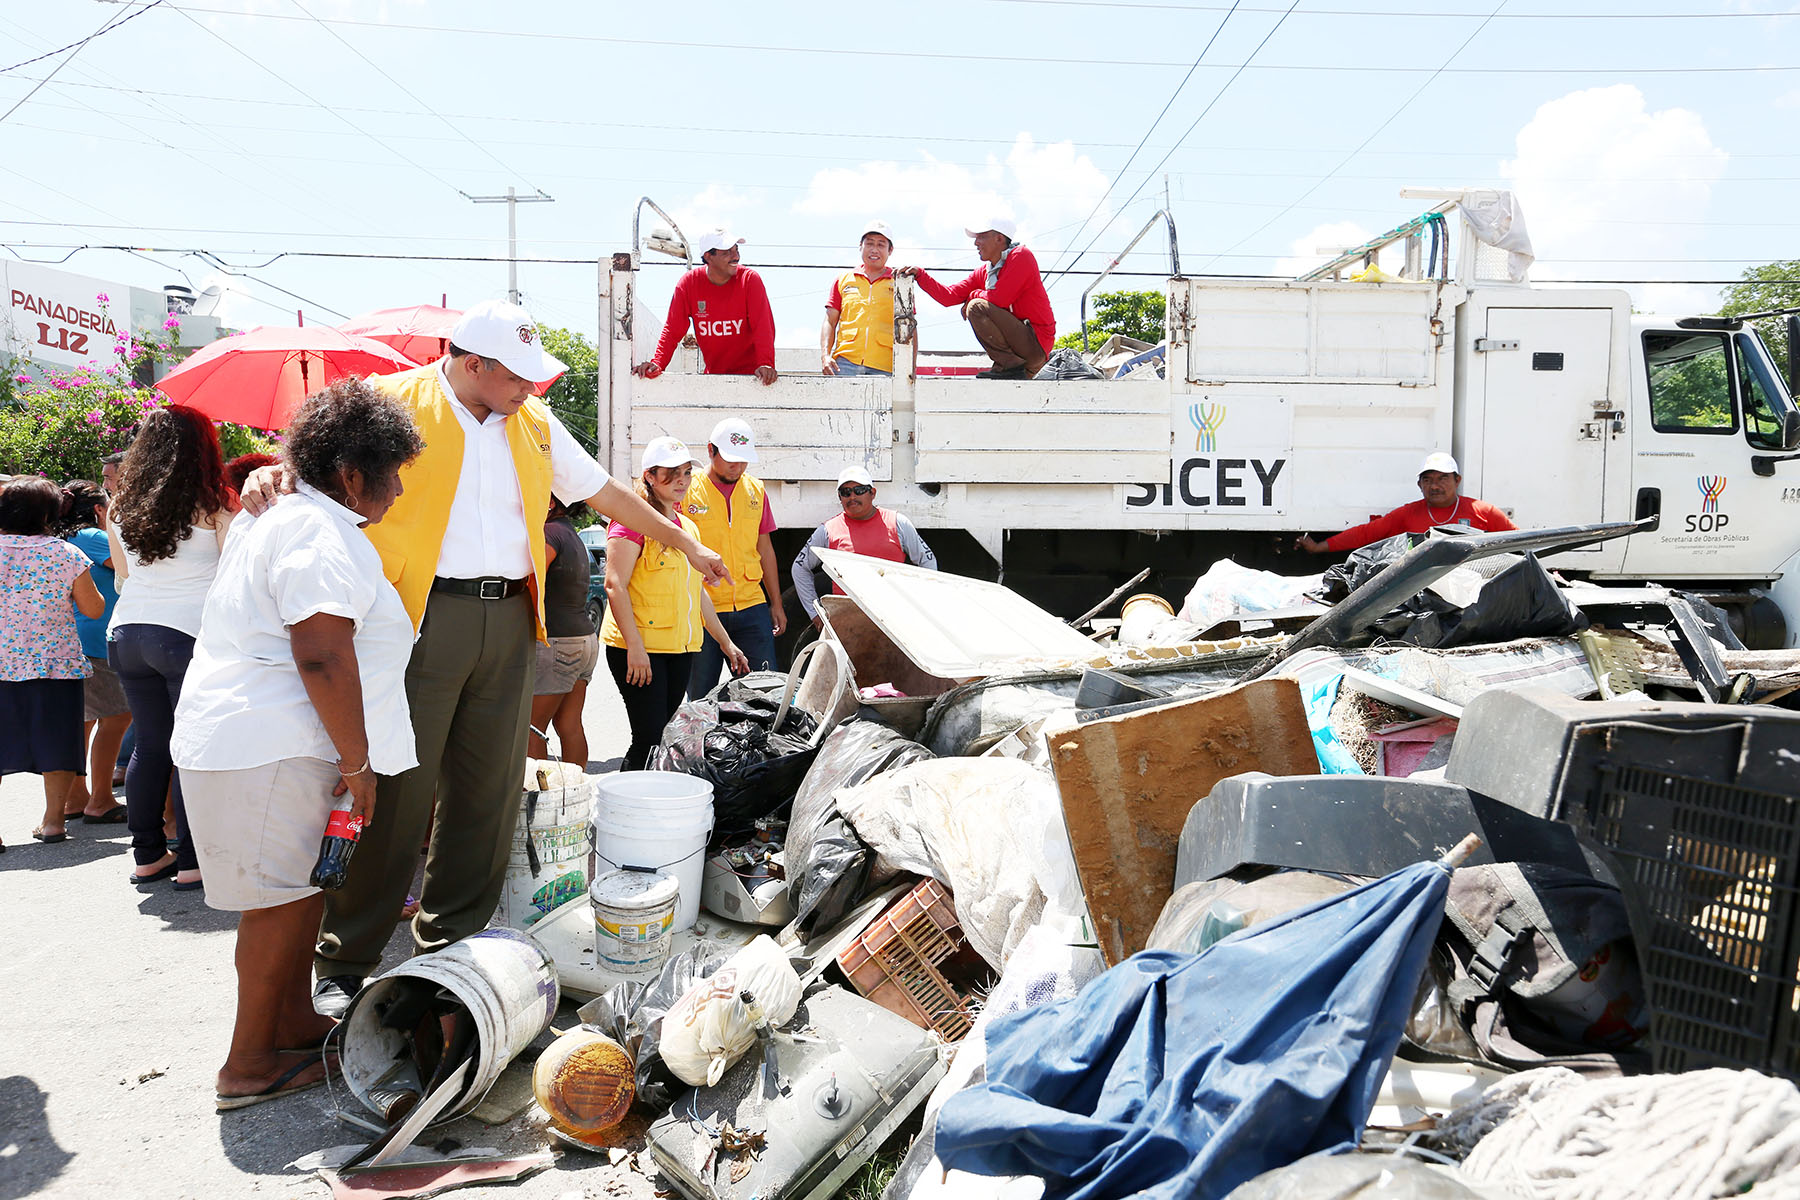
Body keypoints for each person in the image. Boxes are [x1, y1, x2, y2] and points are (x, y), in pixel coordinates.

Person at [238, 298, 728, 1019]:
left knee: (488, 791)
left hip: (508, 617)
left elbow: (603, 490)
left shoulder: (531, 422)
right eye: (518, 376)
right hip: (414, 616)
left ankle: (452, 944)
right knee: (400, 787)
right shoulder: (393, 402)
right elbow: (310, 467)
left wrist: (684, 541)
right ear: (474, 365)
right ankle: (346, 956)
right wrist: (267, 476)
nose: (532, 389)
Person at [171, 378, 424, 1110]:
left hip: (272, 743)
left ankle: (287, 1025)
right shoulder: (314, 530)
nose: (400, 491)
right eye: (396, 472)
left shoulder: (295, 517)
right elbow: (321, 652)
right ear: (352, 474)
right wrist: (358, 764)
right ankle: (247, 1063)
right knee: (280, 904)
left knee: (300, 891)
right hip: (270, 745)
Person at [109, 405, 234, 892]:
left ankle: (146, 855)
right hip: (187, 635)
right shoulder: (215, 502)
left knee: (150, 744)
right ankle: (191, 860)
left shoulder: (121, 505)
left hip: (128, 633)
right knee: (188, 749)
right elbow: (233, 577)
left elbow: (123, 576)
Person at [601, 437, 751, 770]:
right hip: (640, 649)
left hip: (679, 649)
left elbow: (697, 593)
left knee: (664, 737)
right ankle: (626, 813)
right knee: (648, 738)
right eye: (671, 473)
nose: (682, 480)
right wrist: (634, 648)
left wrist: (727, 644)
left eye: (686, 472)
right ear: (649, 477)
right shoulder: (629, 522)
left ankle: (648, 811)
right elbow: (614, 586)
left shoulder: (688, 528)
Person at [0, 478, 105, 849]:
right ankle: (53, 822)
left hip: (1, 663)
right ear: (47, 512)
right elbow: (93, 608)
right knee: (58, 740)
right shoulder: (64, 553)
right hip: (54, 662)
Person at [684, 418, 786, 700]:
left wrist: (775, 603)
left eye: (743, 461)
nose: (737, 467)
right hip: (703, 610)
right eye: (730, 459)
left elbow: (765, 549)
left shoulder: (756, 490)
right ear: (710, 451)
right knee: (701, 698)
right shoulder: (688, 490)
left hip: (751, 605)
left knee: (764, 696)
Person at [900, 215, 1054, 380]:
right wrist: (921, 275)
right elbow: (948, 297)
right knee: (977, 304)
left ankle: (1009, 366)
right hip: (1020, 352)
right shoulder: (985, 272)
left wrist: (973, 295)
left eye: (981, 237)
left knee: (976, 307)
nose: (976, 243)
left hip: (1035, 344)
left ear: (999, 238)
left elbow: (1000, 299)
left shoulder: (1020, 255)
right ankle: (1010, 368)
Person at [60, 479, 131, 824]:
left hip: (78, 638)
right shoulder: (92, 538)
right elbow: (130, 564)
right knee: (118, 717)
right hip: (96, 639)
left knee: (85, 720)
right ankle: (100, 799)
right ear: (99, 510)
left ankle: (76, 798)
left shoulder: (65, 537)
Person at [792, 466, 937, 630]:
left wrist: (922, 607)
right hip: (846, 624)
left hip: (895, 622)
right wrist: (815, 613)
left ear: (872, 493)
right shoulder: (827, 530)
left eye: (859, 490)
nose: (852, 496)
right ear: (840, 497)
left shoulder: (898, 523)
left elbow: (927, 561)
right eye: (845, 492)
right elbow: (799, 568)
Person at [633, 229, 777, 385]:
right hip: (713, 380)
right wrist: (658, 363)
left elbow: (763, 326)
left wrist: (766, 364)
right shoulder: (689, 284)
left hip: (753, 380)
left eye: (736, 250)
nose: (736, 257)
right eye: (727, 252)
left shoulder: (749, 280)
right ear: (708, 256)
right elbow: (673, 329)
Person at [1296, 453, 1518, 554]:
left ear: (1457, 480)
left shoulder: (1483, 511)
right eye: (1428, 480)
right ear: (1420, 484)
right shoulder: (1408, 514)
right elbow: (1367, 534)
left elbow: (1519, 541)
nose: (1435, 486)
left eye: (1442, 478)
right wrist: (1319, 547)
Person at [528, 497, 599, 770]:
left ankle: (539, 801)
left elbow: (533, 581)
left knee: (532, 727)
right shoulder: (570, 533)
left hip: (557, 642)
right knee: (569, 724)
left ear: (549, 501)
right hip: (583, 639)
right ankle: (575, 793)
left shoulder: (549, 533)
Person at [821, 221, 897, 377]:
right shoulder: (843, 280)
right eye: (869, 244)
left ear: (890, 250)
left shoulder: (899, 283)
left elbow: (910, 326)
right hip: (845, 364)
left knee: (882, 403)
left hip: (885, 367)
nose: (874, 249)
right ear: (860, 246)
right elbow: (830, 321)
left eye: (881, 245)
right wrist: (825, 356)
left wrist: (910, 367)